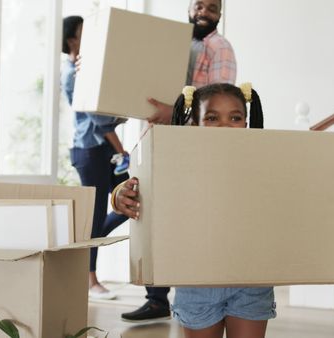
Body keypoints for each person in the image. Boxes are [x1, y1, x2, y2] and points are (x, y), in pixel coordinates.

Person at [114, 83, 274, 337]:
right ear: (194, 124)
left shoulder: (263, 162)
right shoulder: (177, 163)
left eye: (234, 117)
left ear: (245, 122)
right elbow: (141, 183)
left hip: (251, 280)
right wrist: (120, 195)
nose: (224, 125)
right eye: (212, 118)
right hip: (196, 281)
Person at [121, 0, 237, 322]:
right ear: (189, 8)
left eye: (211, 7)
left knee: (179, 217)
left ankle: (187, 295)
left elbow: (216, 98)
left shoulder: (220, 47)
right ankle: (157, 298)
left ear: (219, 14)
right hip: (159, 140)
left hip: (193, 148)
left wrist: (170, 112)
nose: (204, 11)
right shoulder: (171, 46)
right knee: (153, 213)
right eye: (198, 4)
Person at [61, 15, 129, 300]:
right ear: (72, 40)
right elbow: (99, 121)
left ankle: (76, 250)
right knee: (97, 213)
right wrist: (121, 148)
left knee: (131, 199)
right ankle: (89, 279)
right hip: (90, 151)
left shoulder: (86, 70)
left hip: (100, 150)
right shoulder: (74, 74)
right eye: (83, 33)